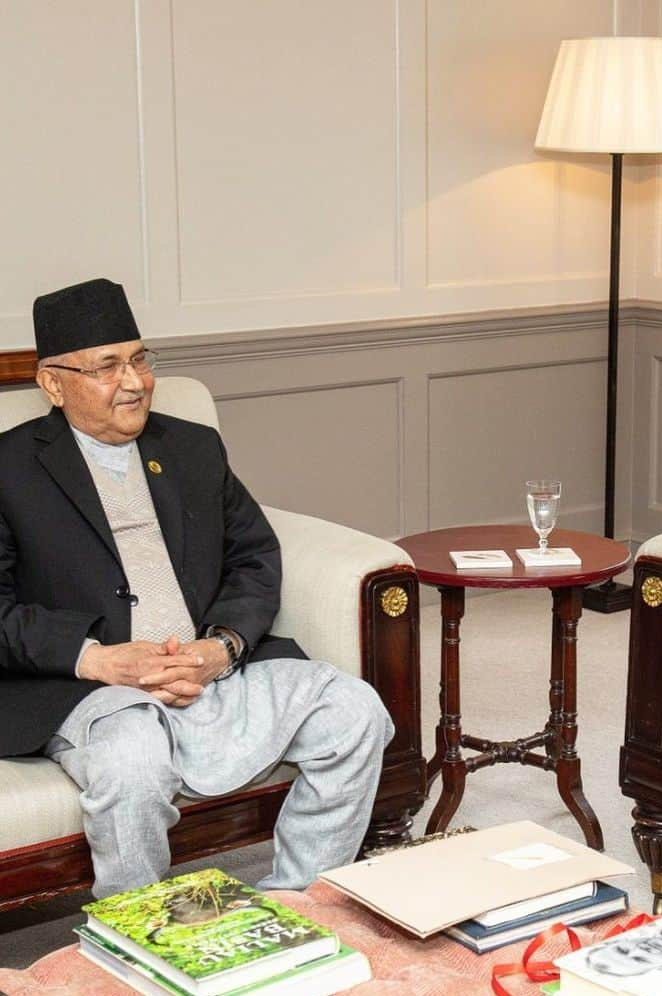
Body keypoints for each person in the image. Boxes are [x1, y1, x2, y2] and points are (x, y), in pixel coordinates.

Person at [0, 278, 394, 898]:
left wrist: (223, 647)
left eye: (139, 359)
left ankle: (299, 902)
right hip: (88, 687)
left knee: (355, 712)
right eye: (107, 367)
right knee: (130, 763)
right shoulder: (9, 468)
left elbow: (255, 555)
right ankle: (141, 935)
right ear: (53, 383)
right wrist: (97, 658)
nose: (133, 382)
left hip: (211, 665)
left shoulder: (191, 446)